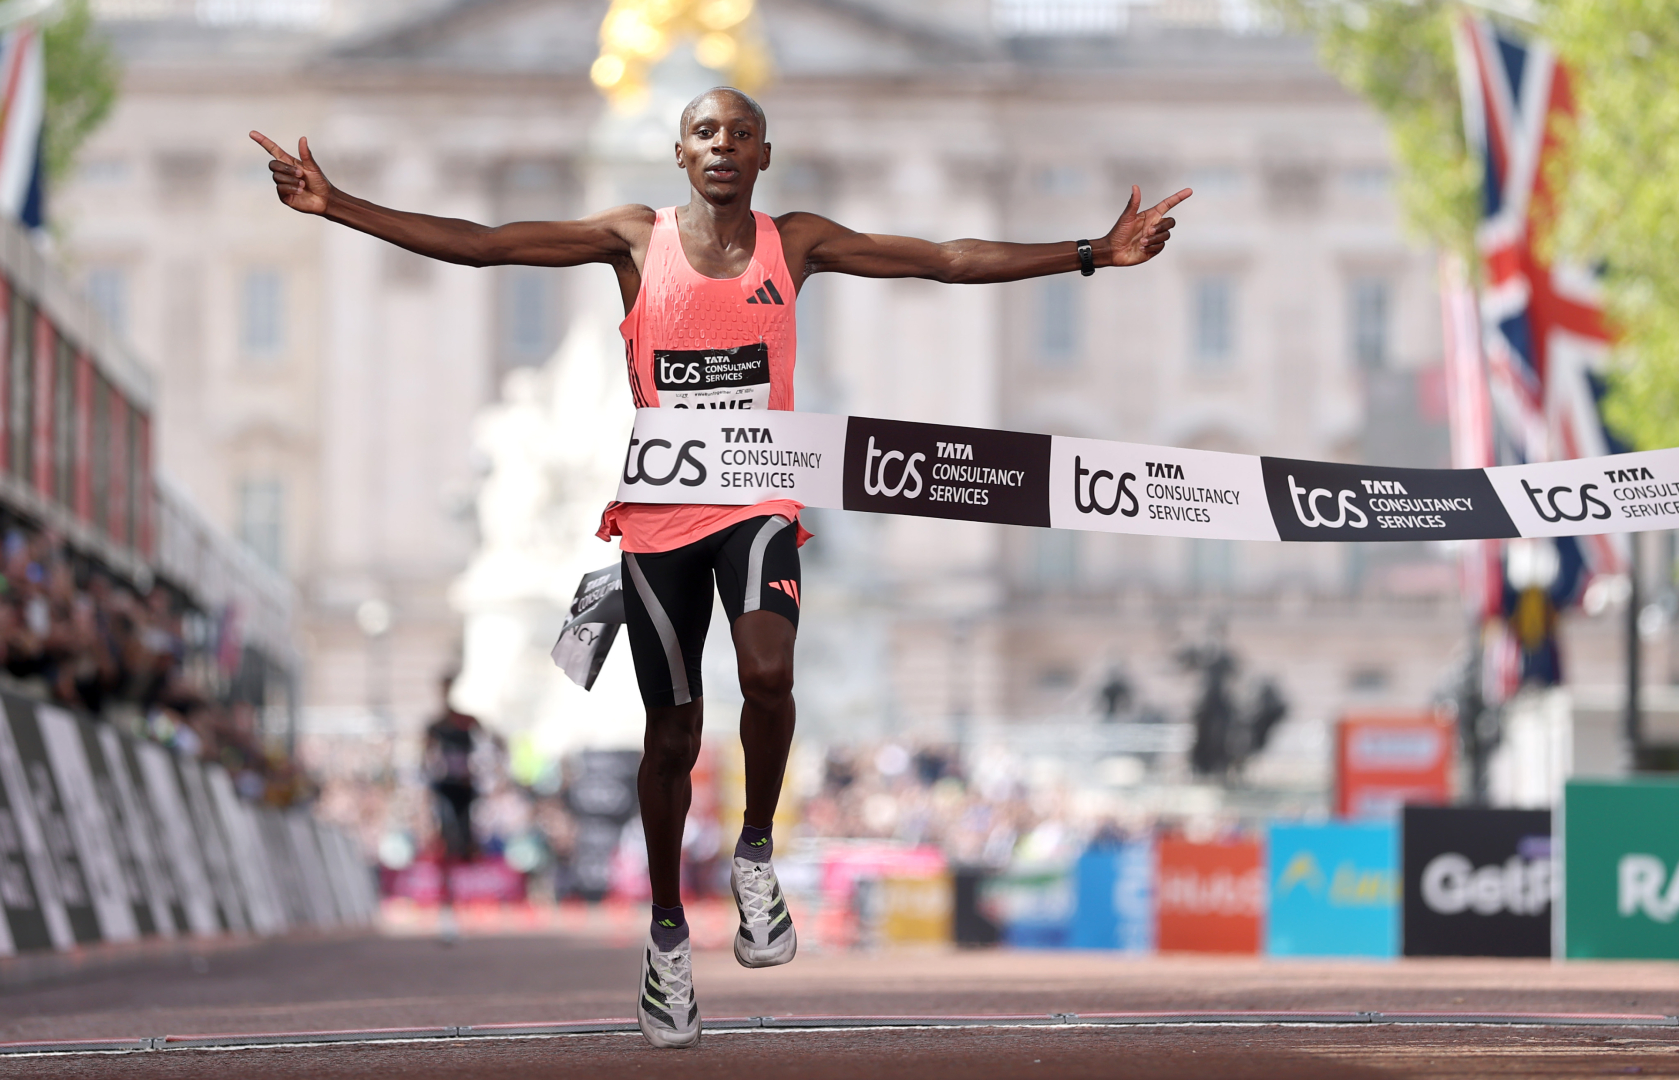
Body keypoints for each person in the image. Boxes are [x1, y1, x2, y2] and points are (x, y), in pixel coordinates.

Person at [252, 87, 1187, 1048]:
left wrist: (1092, 253)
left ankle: (753, 854)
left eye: (741, 134)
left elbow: (941, 260)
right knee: (672, 736)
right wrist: (339, 205)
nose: (723, 147)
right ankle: (666, 937)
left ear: (765, 155)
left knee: (770, 673)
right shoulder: (631, 240)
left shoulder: (800, 242)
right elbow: (485, 242)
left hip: (759, 499)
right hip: (660, 519)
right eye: (707, 133)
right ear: (679, 152)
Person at [422, 674, 488, 943]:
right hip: (445, 789)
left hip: (465, 790)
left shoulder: (469, 722)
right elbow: (425, 757)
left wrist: (483, 771)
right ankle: (449, 909)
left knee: (466, 845)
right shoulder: (435, 726)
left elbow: (491, 745)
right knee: (448, 845)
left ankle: (462, 907)